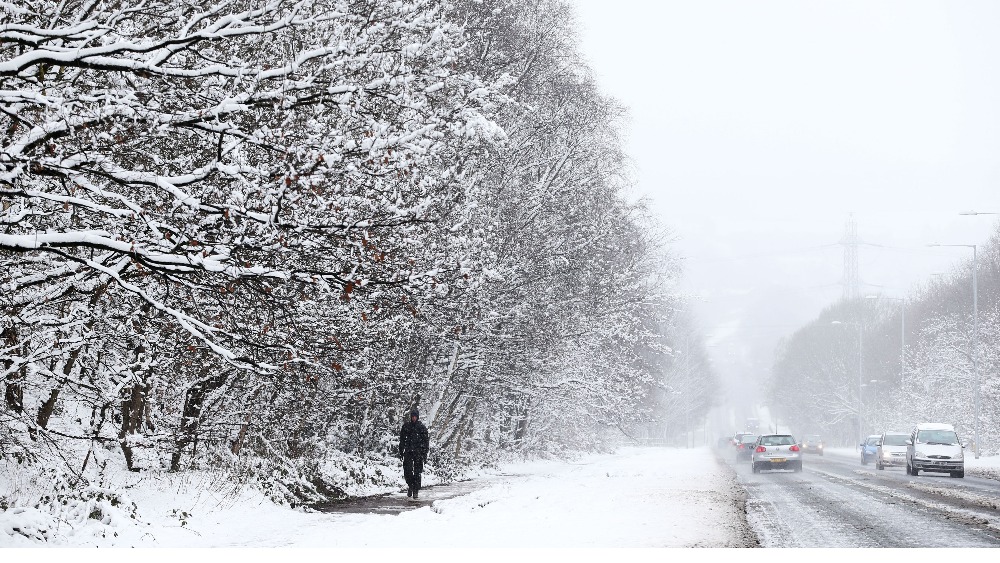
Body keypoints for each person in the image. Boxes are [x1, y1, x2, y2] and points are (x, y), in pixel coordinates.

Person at [398, 408, 429, 499]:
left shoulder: (422, 428)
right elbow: (402, 439)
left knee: (417, 472)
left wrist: (424, 453)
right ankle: (410, 485)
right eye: (413, 416)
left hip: (418, 453)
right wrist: (401, 450)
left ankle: (416, 490)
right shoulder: (406, 426)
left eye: (415, 416)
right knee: (407, 471)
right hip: (408, 451)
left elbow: (426, 441)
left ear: (418, 417)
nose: (414, 418)